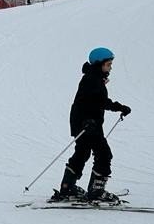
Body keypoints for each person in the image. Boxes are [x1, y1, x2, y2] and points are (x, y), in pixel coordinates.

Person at [51, 47, 131, 203]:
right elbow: (93, 102)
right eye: (108, 64)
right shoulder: (92, 80)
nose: (110, 68)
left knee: (82, 153)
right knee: (104, 154)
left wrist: (118, 107)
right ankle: (96, 191)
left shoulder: (93, 78)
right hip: (88, 124)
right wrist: (117, 108)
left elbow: (95, 101)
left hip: (84, 123)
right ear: (98, 64)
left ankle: (67, 188)